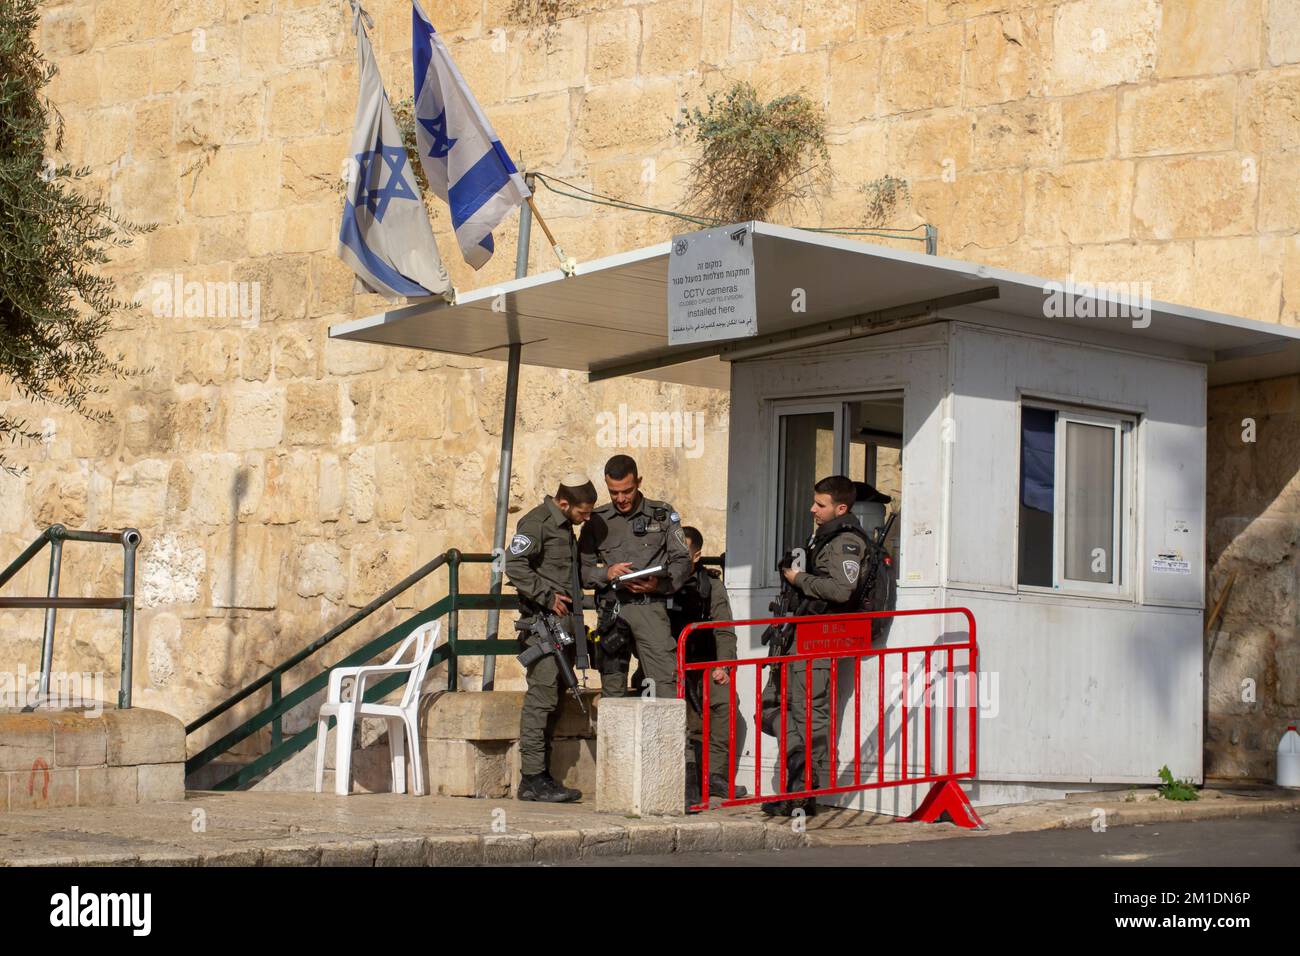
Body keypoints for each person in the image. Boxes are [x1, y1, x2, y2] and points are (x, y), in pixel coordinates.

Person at [764, 474, 871, 818]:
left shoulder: (846, 542)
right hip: (798, 639)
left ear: (841, 508)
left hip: (818, 642)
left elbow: (842, 591)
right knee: (778, 708)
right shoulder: (823, 538)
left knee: (809, 715)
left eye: (820, 504)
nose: (812, 509)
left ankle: (803, 793)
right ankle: (796, 788)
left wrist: (797, 579)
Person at [506, 474, 597, 802]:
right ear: (563, 504)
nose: (586, 518)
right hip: (542, 626)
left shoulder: (564, 527)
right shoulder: (537, 523)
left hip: (563, 628)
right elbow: (513, 565)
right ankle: (532, 778)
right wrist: (546, 596)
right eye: (582, 512)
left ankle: (541, 777)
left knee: (554, 699)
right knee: (541, 700)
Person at [579, 454, 692, 702]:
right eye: (614, 492)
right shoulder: (596, 521)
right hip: (612, 610)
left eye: (627, 491)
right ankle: (616, 742)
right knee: (612, 687)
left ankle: (668, 741)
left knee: (665, 684)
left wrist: (660, 585)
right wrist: (606, 573)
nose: (621, 499)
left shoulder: (662, 514)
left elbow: (683, 560)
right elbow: (581, 571)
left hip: (650, 607)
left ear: (638, 481)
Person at [670, 526, 749, 802]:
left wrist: (723, 665)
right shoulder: (662, 583)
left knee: (724, 705)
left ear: (696, 556)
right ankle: (685, 778)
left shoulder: (711, 585)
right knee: (684, 719)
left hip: (705, 662)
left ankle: (716, 776)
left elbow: (724, 628)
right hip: (671, 664)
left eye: (683, 553)